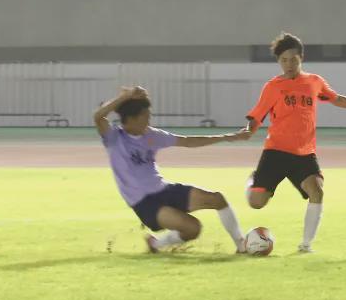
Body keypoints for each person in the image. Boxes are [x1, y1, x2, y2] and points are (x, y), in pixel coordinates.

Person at [236, 33, 346, 253]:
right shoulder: (273, 87)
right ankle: (253, 179)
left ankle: (305, 245)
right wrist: (249, 131)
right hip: (276, 152)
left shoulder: (314, 82)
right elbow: (257, 115)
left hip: (304, 153)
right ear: (279, 61)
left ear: (301, 58)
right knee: (256, 203)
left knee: (317, 191)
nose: (289, 64)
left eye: (293, 59)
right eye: (284, 60)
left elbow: (337, 99)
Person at [95, 86, 249, 254]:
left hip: (164, 189)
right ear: (131, 119)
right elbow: (99, 116)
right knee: (193, 228)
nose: (149, 121)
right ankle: (156, 245)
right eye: (145, 117)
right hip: (144, 203)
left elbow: (187, 141)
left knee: (217, 199)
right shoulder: (114, 138)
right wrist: (126, 97)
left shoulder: (152, 135)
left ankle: (241, 246)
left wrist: (227, 137)